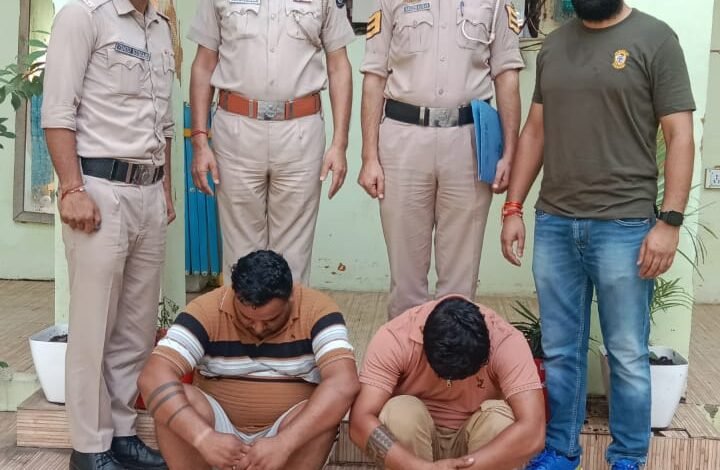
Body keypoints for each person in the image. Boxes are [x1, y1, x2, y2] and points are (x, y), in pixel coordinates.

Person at [500, 1, 696, 469]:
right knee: (560, 351)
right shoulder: (554, 47)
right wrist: (513, 206)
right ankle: (561, 450)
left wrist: (669, 221)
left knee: (627, 353)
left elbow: (681, 135)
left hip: (625, 228)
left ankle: (627, 457)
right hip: (555, 223)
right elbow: (535, 132)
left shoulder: (656, 39)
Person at [42, 0, 176, 468]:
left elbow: (164, 124)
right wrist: (72, 188)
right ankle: (89, 447)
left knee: (136, 330)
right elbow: (57, 111)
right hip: (99, 190)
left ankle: (121, 433)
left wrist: (166, 190)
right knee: (93, 328)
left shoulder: (160, 26)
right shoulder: (83, 16)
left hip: (148, 191)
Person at [357, 0, 524, 318]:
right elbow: (375, 76)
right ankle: (406, 349)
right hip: (404, 140)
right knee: (405, 283)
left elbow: (507, 76)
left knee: (460, 283)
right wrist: (369, 156)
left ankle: (455, 348)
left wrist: (509, 153)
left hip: (469, 143)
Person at [138, 250, 360, 470]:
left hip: (289, 435)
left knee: (324, 410)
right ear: (234, 295)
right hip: (217, 433)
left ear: (291, 296)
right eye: (247, 318)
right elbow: (153, 377)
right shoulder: (206, 309)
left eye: (271, 319)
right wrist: (203, 437)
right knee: (174, 397)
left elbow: (343, 383)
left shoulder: (318, 310)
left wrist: (284, 443)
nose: (258, 328)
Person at [187, 0, 354, 284]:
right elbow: (204, 65)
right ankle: (241, 314)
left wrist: (340, 145)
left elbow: (339, 66)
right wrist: (199, 141)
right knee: (240, 256)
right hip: (237, 132)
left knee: (294, 258)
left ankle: (290, 315)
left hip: (300, 133)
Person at [349, 297, 546, 469]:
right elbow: (360, 421)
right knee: (399, 412)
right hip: (415, 451)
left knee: (500, 421)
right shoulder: (396, 338)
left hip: (479, 452)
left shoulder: (505, 341)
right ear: (424, 344)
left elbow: (534, 431)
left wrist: (465, 467)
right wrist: (420, 468)